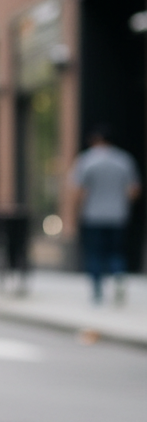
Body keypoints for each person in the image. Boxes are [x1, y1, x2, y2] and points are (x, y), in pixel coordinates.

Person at [70, 125, 141, 304]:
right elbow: (134, 190)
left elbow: (78, 190)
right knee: (116, 251)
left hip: (93, 215)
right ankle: (118, 278)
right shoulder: (124, 160)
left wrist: (75, 212)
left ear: (94, 141)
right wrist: (120, 203)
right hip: (118, 216)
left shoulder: (86, 160)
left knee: (95, 253)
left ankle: (97, 292)